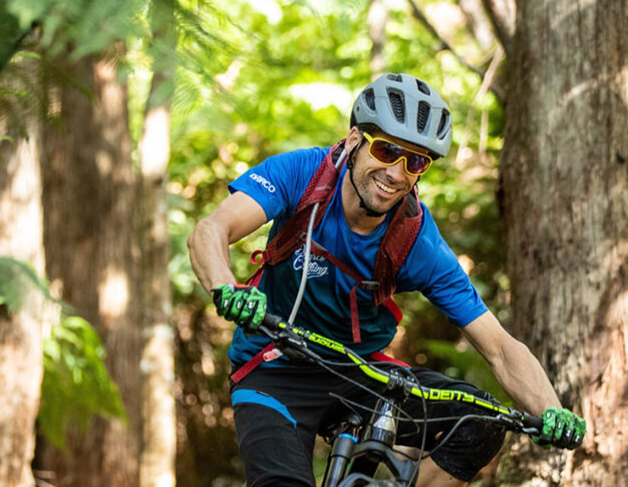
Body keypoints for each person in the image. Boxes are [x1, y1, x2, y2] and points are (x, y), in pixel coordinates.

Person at [188, 73, 585, 486]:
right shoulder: (303, 174)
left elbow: (499, 346)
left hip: (360, 372)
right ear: (355, 140)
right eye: (387, 150)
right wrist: (226, 287)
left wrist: (549, 409)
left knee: (479, 424)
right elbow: (211, 230)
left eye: (415, 161)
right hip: (273, 366)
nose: (396, 172)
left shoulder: (415, 239)